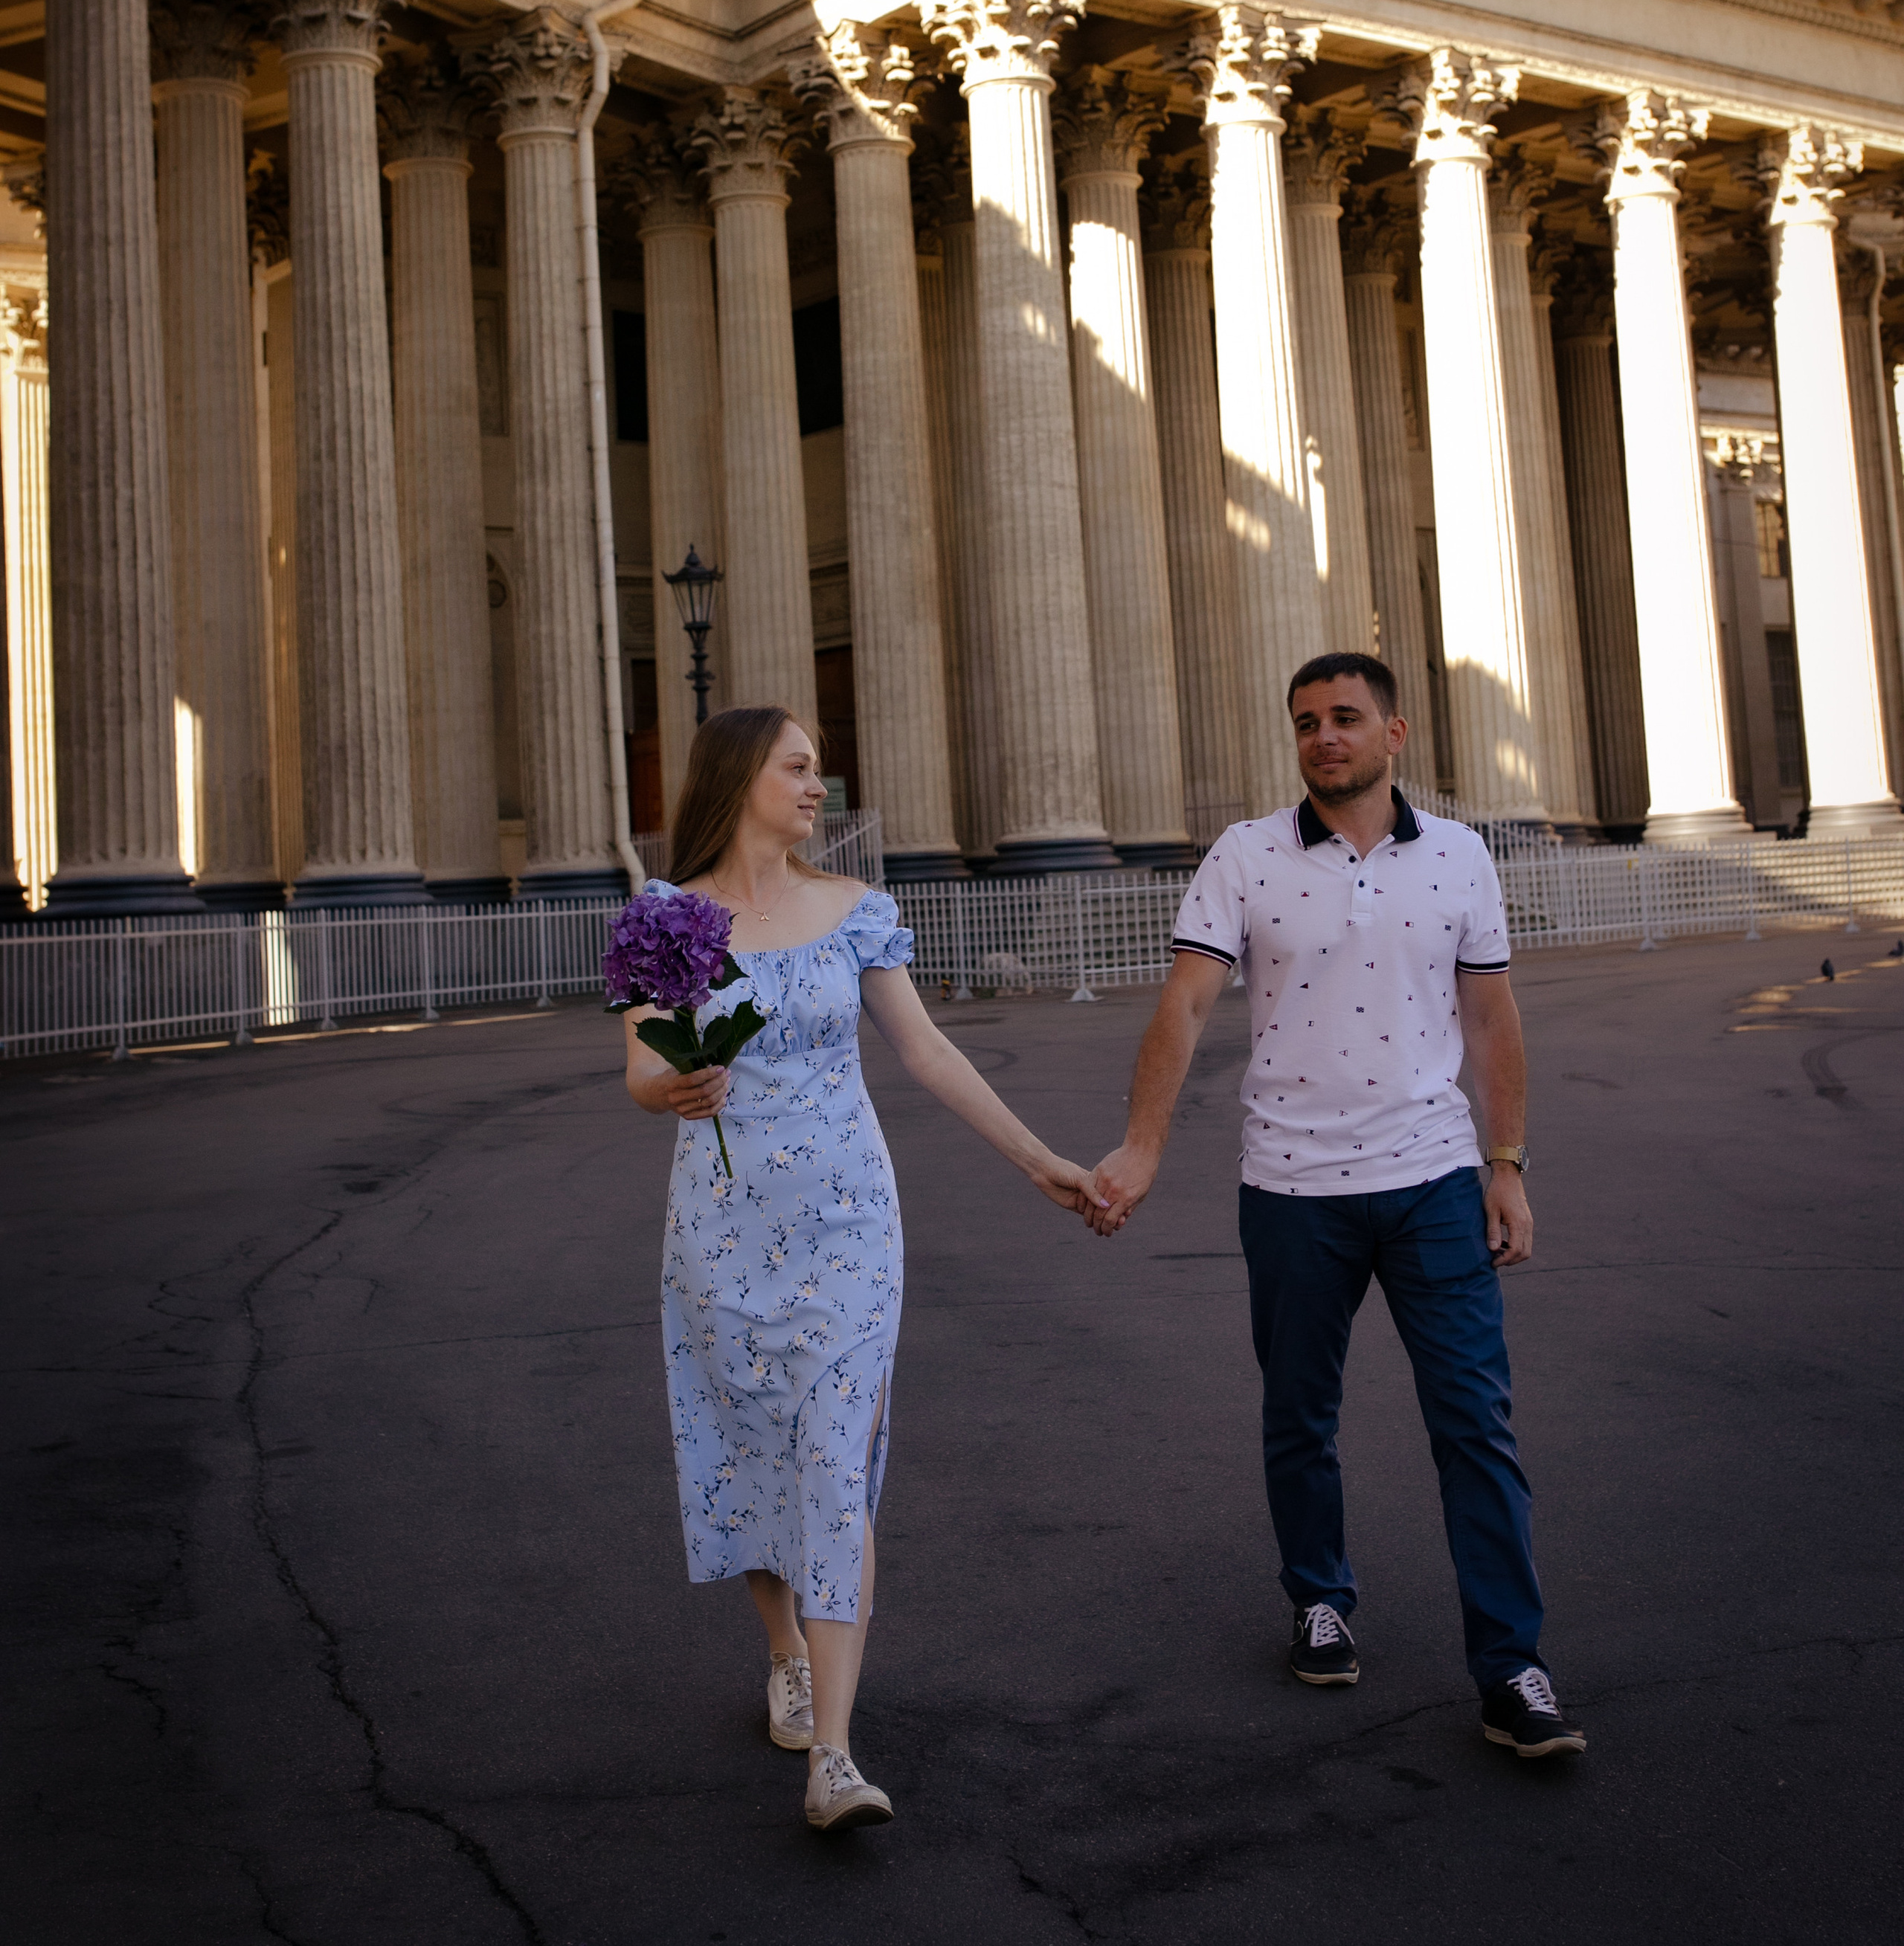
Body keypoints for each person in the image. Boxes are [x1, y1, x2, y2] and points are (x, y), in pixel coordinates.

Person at [1087, 652, 1586, 1760]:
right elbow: (1185, 1004)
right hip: (1293, 1186)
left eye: (1346, 718)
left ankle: (1514, 1668)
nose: (1324, 737)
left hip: (1433, 1181)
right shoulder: (1246, 857)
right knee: (1300, 1416)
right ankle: (1320, 1600)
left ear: (1394, 733)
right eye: (1306, 721)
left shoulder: (1458, 855)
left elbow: (1495, 1019)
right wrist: (1144, 1144)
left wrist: (1507, 1165)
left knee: (1476, 1426)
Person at [622, 704, 1107, 1830]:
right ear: (740, 775)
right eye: (798, 767)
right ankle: (784, 1650)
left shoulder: (856, 913)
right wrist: (673, 1086)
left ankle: (833, 1755)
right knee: (750, 1441)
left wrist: (1037, 1160)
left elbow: (926, 1049)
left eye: (819, 770)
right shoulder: (669, 919)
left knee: (840, 1456)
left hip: (850, 1226)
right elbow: (640, 1066)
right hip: (724, 1226)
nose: (817, 786)